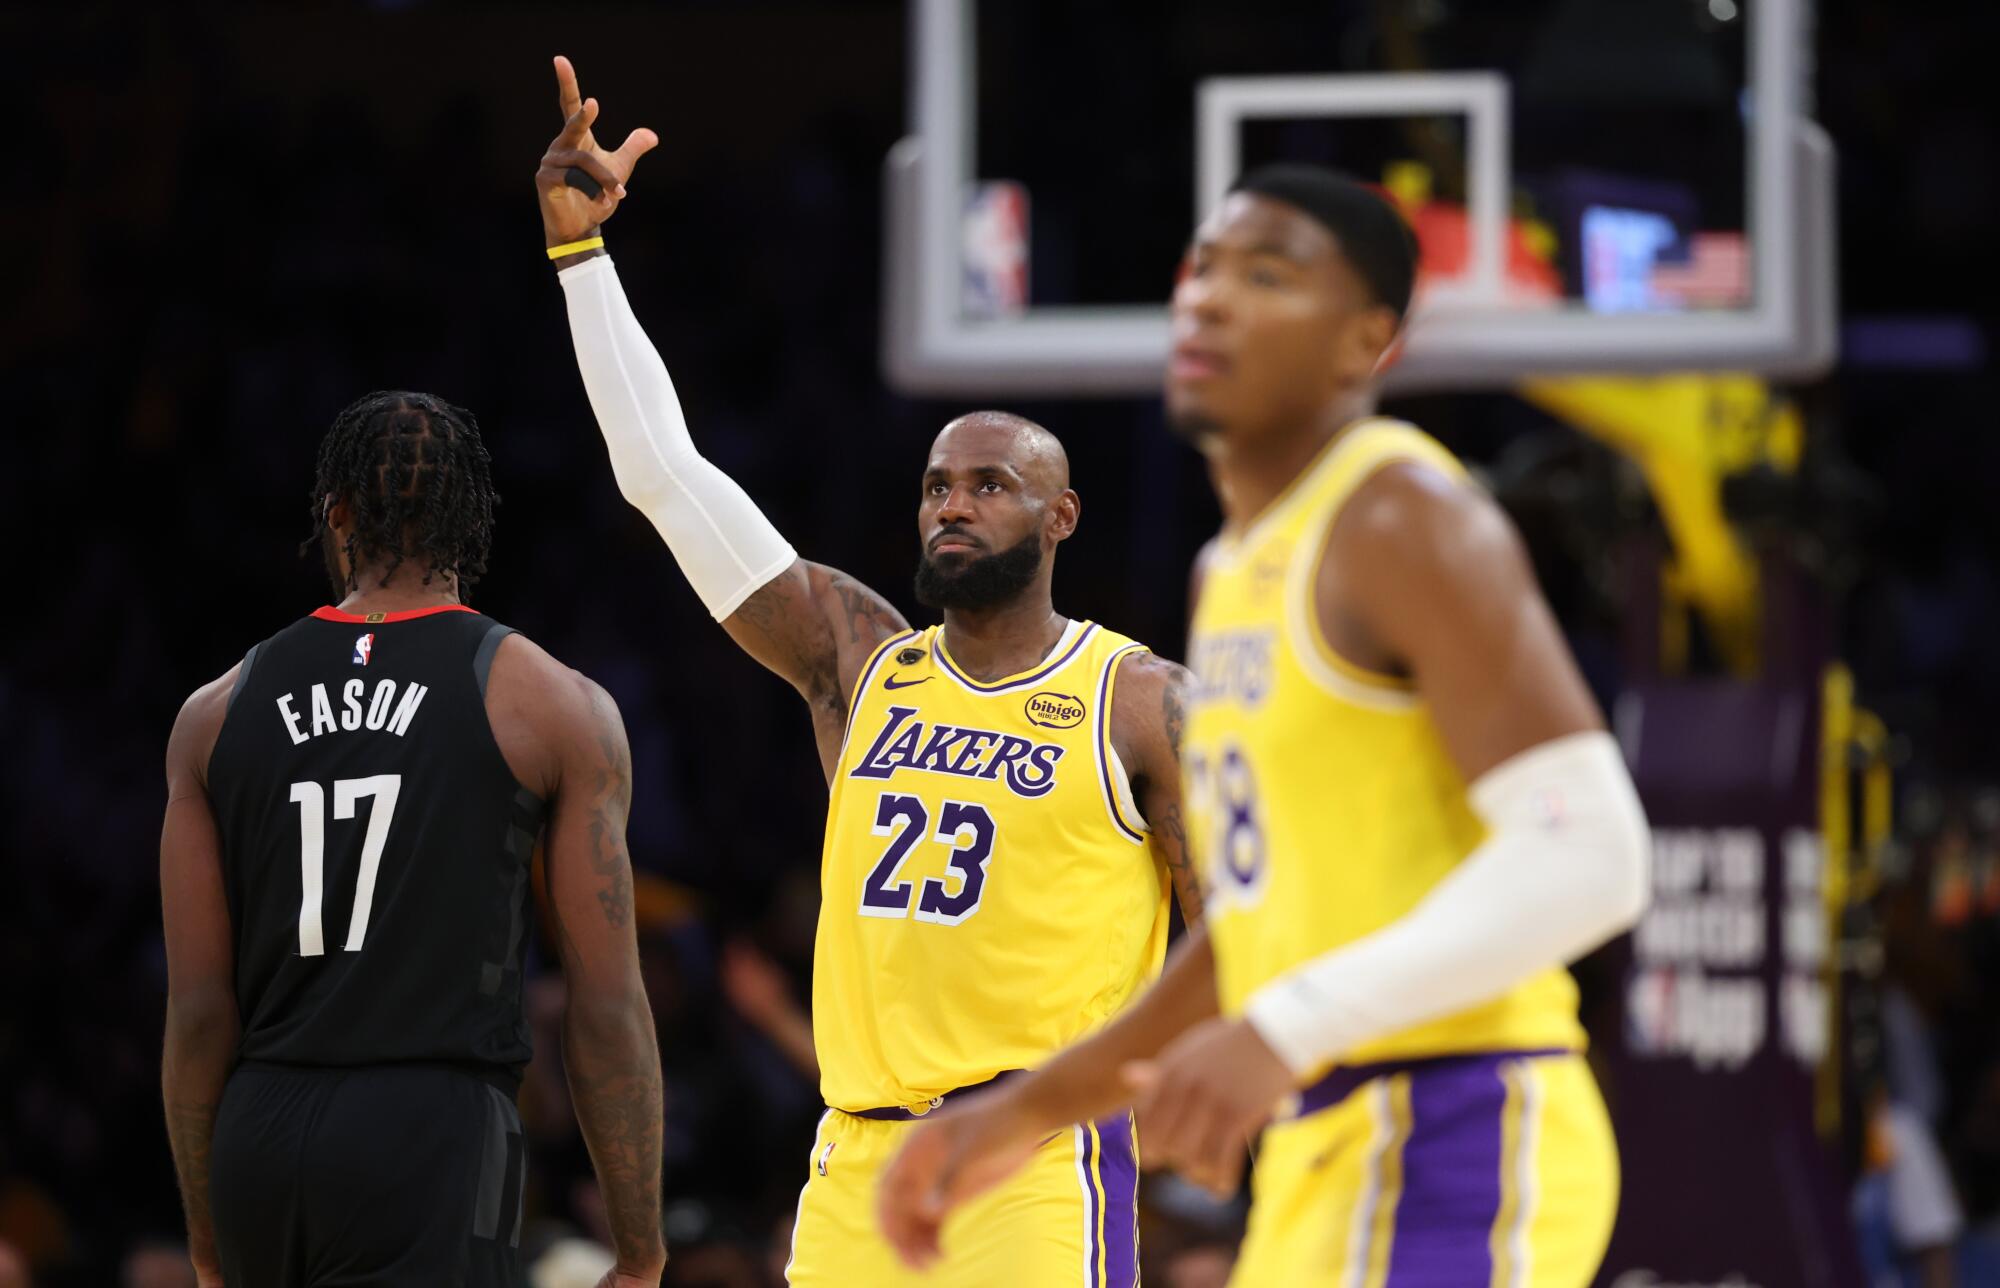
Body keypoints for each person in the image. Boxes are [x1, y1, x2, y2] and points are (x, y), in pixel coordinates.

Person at [879, 165, 1652, 1285]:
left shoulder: (1399, 511)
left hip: (1456, 1120)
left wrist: (1289, 1022)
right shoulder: (1232, 568)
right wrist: (1014, 1117)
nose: (1209, 299)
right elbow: (1254, 929)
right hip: (1323, 1142)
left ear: (1365, 343)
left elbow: (1593, 856)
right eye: (1202, 271)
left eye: (1268, 275)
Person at [534, 56, 1200, 1287]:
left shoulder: (1139, 699)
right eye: (939, 483)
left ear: (1060, 518)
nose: (953, 504)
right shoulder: (861, 660)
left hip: (1038, 1159)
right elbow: (665, 477)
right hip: (853, 1163)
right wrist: (584, 264)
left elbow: (1235, 926)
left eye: (991, 485)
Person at [159, 392, 666, 1287]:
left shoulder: (214, 714)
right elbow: (607, 1005)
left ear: (337, 515)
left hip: (260, 1130)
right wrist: (638, 1249)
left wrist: (207, 1243)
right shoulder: (552, 704)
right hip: (429, 1133)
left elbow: (199, 1014)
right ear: (470, 520)